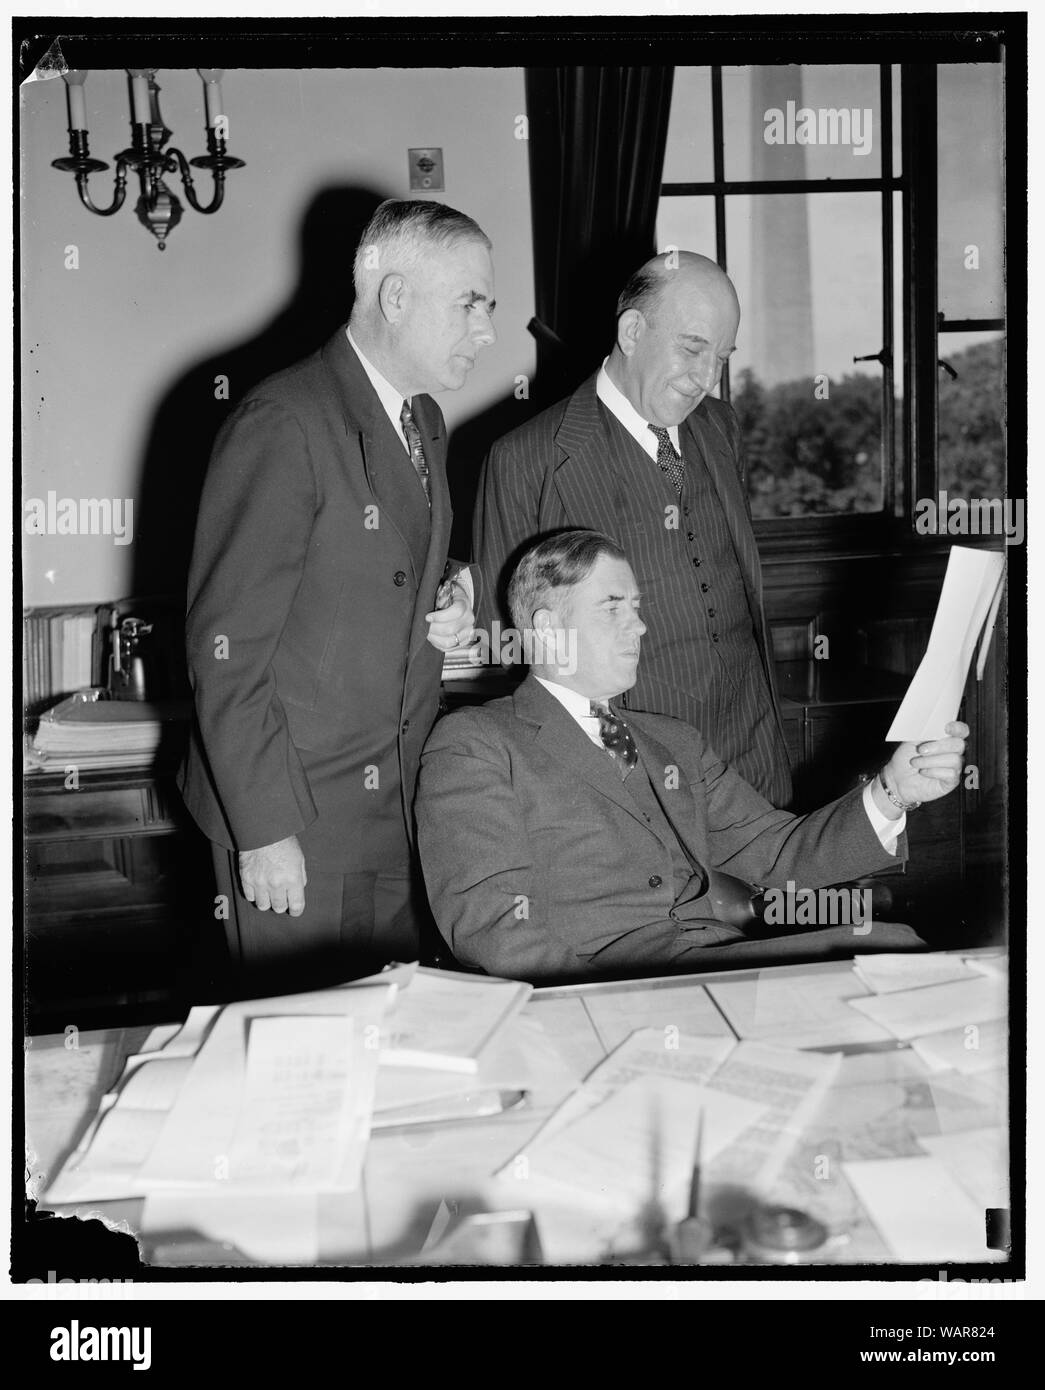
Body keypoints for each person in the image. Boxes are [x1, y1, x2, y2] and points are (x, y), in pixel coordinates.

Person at [179, 198, 496, 988]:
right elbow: (224, 651)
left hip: (393, 812)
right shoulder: (282, 422)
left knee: (386, 1054)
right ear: (395, 298)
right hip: (296, 822)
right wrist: (265, 833)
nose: (488, 330)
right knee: (305, 1071)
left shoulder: (422, 421)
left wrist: (452, 589)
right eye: (471, 304)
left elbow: (379, 558)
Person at [416, 531, 967, 983]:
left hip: (718, 965)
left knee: (903, 953)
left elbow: (779, 855)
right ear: (546, 628)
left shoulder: (674, 743)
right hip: (608, 988)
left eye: (636, 607)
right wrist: (590, 1006)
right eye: (613, 608)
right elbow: (489, 920)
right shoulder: (476, 742)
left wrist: (895, 790)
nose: (639, 625)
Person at [473, 250, 791, 806]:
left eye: (722, 357)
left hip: (755, 762)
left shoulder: (720, 427)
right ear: (633, 330)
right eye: (692, 348)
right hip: (630, 782)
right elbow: (504, 643)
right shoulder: (525, 459)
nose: (705, 378)